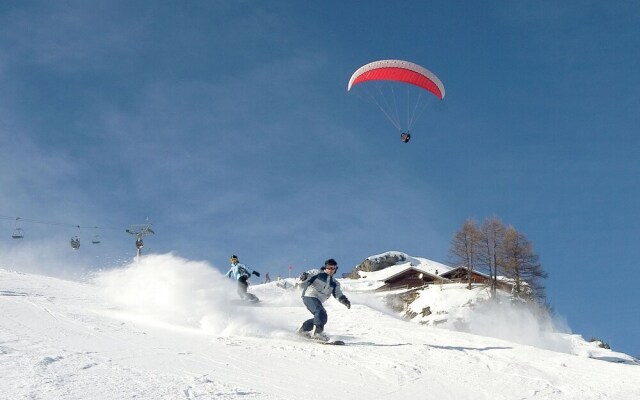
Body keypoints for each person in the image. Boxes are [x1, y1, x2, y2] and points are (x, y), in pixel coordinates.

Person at [297, 258, 351, 341]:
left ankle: (303, 329)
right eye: (329, 267)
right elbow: (307, 275)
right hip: (309, 295)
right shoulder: (317, 273)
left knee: (323, 317)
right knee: (319, 311)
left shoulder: (335, 283)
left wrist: (344, 300)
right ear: (325, 267)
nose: (331, 270)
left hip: (318, 300)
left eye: (333, 268)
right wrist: (304, 276)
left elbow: (337, 294)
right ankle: (317, 332)